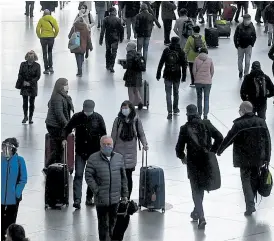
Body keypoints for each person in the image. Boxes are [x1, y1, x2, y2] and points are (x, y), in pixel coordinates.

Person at [217, 101, 271, 216]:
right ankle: (253, 203)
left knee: (246, 181)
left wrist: (219, 150)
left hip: (244, 159)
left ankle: (250, 206)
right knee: (255, 178)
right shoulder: (261, 122)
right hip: (258, 158)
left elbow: (229, 139)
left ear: (244, 110)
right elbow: (268, 141)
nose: (239, 111)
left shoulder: (239, 125)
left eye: (240, 109)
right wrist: (267, 157)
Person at [175, 104, 223, 229]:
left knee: (196, 189)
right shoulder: (206, 123)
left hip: (193, 163)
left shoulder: (185, 128)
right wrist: (212, 150)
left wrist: (182, 157)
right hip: (206, 161)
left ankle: (201, 216)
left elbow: (178, 148)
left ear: (187, 115)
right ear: (197, 113)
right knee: (201, 186)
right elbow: (219, 137)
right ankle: (197, 212)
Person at [62, 100, 107, 209]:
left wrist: (104, 147)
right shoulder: (77, 117)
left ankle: (89, 197)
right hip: (80, 151)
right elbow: (67, 128)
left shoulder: (98, 118)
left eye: (89, 110)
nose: (87, 112)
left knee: (92, 176)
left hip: (94, 152)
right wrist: (64, 138)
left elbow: (103, 134)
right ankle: (77, 199)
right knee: (78, 175)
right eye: (86, 110)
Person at [85, 136, 128, 241]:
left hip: (115, 199)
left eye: (109, 144)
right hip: (101, 200)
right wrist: (96, 190)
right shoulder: (93, 158)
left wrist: (124, 194)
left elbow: (123, 178)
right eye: (104, 144)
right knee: (103, 225)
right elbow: (88, 176)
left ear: (112, 145)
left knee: (113, 223)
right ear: (100, 145)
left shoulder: (119, 158)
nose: (107, 146)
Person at [111, 101, 148, 198]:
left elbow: (141, 134)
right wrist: (109, 149)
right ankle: (119, 196)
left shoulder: (136, 120)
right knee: (118, 178)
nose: (124, 110)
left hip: (130, 155)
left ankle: (127, 197)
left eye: (126, 108)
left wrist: (145, 144)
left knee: (128, 177)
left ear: (131, 109)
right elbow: (113, 136)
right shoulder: (118, 121)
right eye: (122, 108)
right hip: (118, 154)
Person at [44, 78, 74, 175]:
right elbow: (59, 115)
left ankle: (55, 166)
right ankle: (49, 166)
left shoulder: (63, 96)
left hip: (58, 126)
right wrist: (68, 126)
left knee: (59, 147)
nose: (67, 86)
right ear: (61, 86)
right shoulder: (57, 98)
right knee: (58, 148)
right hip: (54, 126)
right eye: (66, 84)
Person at [1, 138, 28, 241]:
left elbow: (23, 178)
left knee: (10, 223)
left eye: (8, 148)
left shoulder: (19, 160)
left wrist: (16, 193)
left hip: (13, 199)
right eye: (4, 147)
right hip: (1, 198)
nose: (5, 150)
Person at [156, 36, 188, 120]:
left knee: (168, 93)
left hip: (167, 73)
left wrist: (158, 73)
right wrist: (184, 76)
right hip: (177, 74)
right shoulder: (181, 51)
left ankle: (169, 111)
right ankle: (175, 108)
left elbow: (161, 62)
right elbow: (184, 65)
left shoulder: (166, 50)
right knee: (176, 92)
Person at [16, 50, 41, 124]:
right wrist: (23, 82)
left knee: (32, 103)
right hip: (24, 85)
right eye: (29, 55)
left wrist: (30, 83)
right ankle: (25, 116)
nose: (30, 57)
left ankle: (30, 117)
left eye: (32, 55)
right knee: (25, 102)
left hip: (32, 86)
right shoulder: (22, 64)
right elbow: (20, 74)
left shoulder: (37, 65)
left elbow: (38, 76)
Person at [99, 7, 124, 73]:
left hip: (108, 38)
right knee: (114, 52)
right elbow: (121, 30)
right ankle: (111, 66)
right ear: (114, 11)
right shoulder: (118, 20)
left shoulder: (105, 19)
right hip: (115, 38)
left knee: (108, 51)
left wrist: (101, 39)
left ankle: (107, 64)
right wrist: (121, 38)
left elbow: (102, 30)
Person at [193, 47, 214, 120]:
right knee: (206, 98)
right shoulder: (210, 60)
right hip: (207, 82)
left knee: (199, 98)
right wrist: (209, 78)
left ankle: (199, 113)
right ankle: (205, 114)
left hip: (198, 82)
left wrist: (196, 78)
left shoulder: (196, 59)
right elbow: (212, 71)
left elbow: (194, 71)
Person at [36, 9, 59, 75]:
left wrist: (39, 36)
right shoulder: (53, 19)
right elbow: (57, 29)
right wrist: (54, 35)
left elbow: (37, 29)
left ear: (44, 13)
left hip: (43, 38)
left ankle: (46, 69)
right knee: (50, 52)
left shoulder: (41, 20)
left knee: (44, 53)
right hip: (51, 38)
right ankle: (51, 67)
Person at [121, 42, 144, 109]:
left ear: (131, 47)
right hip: (138, 75)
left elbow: (129, 65)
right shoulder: (138, 54)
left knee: (130, 90)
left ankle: (131, 104)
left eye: (128, 46)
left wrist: (123, 65)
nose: (126, 47)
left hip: (131, 75)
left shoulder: (129, 54)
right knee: (136, 89)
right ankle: (140, 102)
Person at [234, 14, 256, 79]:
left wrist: (252, 44)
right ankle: (240, 71)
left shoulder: (252, 27)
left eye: (249, 19)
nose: (248, 21)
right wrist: (236, 45)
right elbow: (235, 36)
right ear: (244, 20)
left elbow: (254, 36)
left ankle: (246, 74)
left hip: (248, 46)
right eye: (246, 20)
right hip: (240, 46)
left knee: (247, 61)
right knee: (240, 60)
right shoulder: (239, 27)